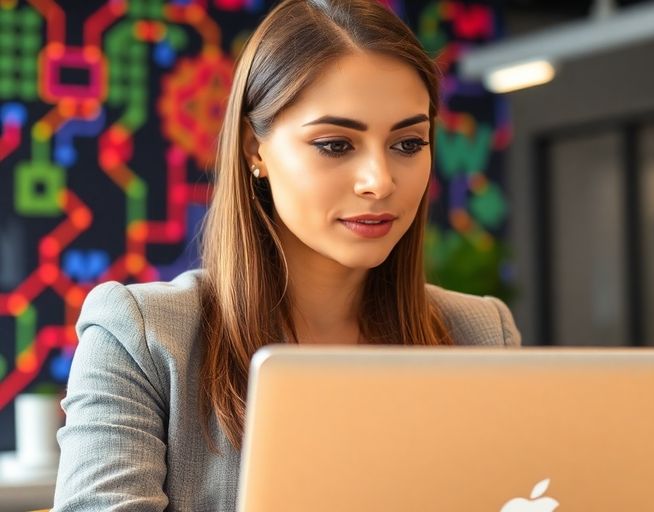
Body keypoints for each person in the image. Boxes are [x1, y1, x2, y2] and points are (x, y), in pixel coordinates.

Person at [52, 0, 521, 509]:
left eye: (408, 144)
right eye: (336, 144)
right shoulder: (141, 338)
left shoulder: (480, 335)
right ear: (255, 149)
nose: (380, 182)